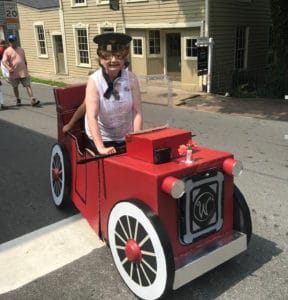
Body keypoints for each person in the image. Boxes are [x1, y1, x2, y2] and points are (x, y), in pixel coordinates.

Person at [83, 32, 142, 155]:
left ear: (124, 57)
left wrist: (137, 139)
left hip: (126, 136)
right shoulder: (94, 81)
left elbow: (137, 112)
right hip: (103, 137)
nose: (113, 60)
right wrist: (101, 147)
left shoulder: (131, 78)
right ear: (100, 58)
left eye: (119, 56)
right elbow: (91, 117)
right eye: (107, 56)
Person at [1, 34, 40, 107]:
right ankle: (18, 99)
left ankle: (32, 100)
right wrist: (8, 68)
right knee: (15, 86)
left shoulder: (21, 49)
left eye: (13, 41)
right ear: (9, 42)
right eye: (10, 41)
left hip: (23, 71)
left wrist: (26, 68)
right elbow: (4, 61)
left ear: (16, 41)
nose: (12, 42)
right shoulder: (7, 51)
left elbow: (24, 60)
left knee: (28, 85)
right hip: (13, 72)